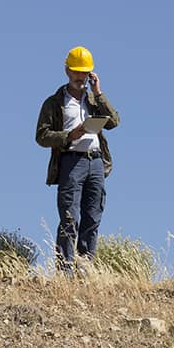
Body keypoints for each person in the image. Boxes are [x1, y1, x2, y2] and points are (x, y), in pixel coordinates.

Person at [35, 45, 120, 272]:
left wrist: (99, 93)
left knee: (92, 217)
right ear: (67, 71)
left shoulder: (93, 100)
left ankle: (85, 268)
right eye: (76, 71)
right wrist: (68, 135)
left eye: (84, 72)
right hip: (71, 161)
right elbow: (41, 136)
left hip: (96, 162)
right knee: (69, 217)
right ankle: (65, 271)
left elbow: (113, 122)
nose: (80, 76)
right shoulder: (54, 103)